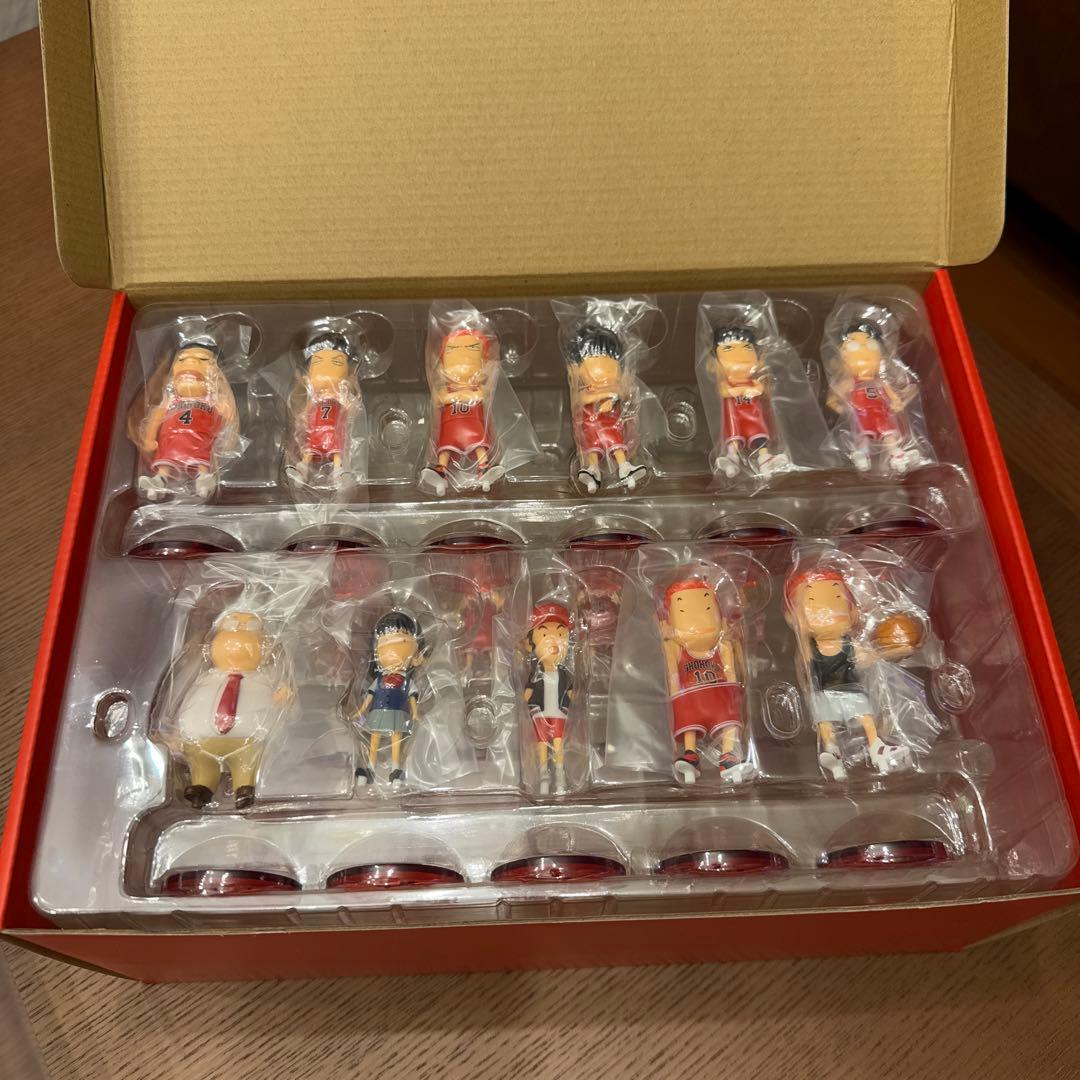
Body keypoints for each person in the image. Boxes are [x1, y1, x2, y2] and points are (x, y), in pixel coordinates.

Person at [784, 566, 916, 779]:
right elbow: (804, 670)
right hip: (824, 693)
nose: (828, 611)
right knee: (826, 723)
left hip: (851, 689)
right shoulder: (809, 648)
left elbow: (868, 658)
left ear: (852, 610)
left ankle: (876, 746)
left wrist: (895, 650)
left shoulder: (849, 644)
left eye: (837, 598)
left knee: (866, 719)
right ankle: (832, 752)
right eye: (813, 602)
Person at [171, 610, 295, 810]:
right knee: (202, 762)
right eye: (232, 629)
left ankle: (244, 788)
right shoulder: (207, 678)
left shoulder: (264, 679)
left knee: (246, 763)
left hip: (248, 739)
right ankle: (201, 787)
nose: (238, 642)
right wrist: (177, 733)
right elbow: (188, 701)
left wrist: (283, 696)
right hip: (201, 738)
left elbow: (279, 702)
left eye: (250, 631)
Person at [661, 577, 755, 785]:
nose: (697, 623)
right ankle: (690, 754)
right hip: (691, 700)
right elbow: (672, 675)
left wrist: (734, 692)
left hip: (720, 697)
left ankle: (729, 755)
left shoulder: (723, 648)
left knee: (729, 724)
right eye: (683, 612)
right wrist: (676, 696)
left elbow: (732, 674)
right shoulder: (676, 649)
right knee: (689, 725)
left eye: (707, 609)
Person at [138, 337, 238, 500]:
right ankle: (159, 480)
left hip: (200, 440)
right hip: (171, 441)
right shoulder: (171, 400)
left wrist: (227, 441)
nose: (190, 362)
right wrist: (149, 438)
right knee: (166, 460)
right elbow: (155, 417)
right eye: (182, 359)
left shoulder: (211, 399)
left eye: (203, 359)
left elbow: (230, 418)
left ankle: (203, 478)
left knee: (201, 457)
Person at [826, 320, 920, 475]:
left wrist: (897, 403)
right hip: (862, 416)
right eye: (855, 347)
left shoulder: (880, 381)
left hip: (882, 415)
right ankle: (862, 456)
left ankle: (897, 455)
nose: (865, 355)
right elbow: (832, 399)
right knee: (864, 438)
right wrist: (842, 408)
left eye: (870, 346)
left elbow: (893, 396)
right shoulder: (850, 382)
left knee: (889, 436)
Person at [420, 327, 504, 495]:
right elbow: (441, 399)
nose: (463, 361)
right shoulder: (447, 390)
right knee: (445, 448)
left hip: (473, 425)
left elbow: (480, 396)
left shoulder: (477, 389)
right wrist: (457, 395)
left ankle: (484, 467)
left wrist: (459, 394)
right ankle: (441, 470)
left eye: (471, 349)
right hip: (450, 426)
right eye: (453, 350)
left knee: (479, 445)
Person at [567, 325, 648, 494]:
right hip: (590, 423)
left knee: (615, 441)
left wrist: (611, 398)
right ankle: (593, 470)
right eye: (595, 357)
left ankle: (624, 466)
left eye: (609, 358)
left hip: (610, 421)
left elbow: (621, 393)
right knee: (592, 445)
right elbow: (582, 399)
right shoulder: (585, 390)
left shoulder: (616, 387)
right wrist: (599, 395)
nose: (603, 365)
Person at [353, 610, 424, 789]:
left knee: (396, 740)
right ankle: (370, 767)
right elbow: (370, 696)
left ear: (416, 654)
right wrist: (361, 711)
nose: (392, 649)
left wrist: (415, 714)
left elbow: (412, 697)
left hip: (398, 713)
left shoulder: (406, 681)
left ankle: (395, 768)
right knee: (374, 738)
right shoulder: (379, 680)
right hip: (378, 711)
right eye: (385, 641)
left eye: (402, 641)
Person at [708, 324, 789, 478]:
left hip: (754, 416)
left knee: (759, 436)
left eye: (747, 348)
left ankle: (765, 459)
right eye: (728, 349)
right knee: (734, 437)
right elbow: (725, 392)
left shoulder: (754, 381)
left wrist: (748, 389)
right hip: (734, 417)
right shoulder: (727, 383)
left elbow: (759, 390)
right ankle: (732, 458)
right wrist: (743, 390)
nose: (740, 356)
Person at [286, 331, 359, 488]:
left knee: (336, 449)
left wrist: (350, 408)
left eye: (336, 363)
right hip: (317, 428)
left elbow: (349, 408)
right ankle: (303, 468)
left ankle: (338, 471)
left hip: (332, 429)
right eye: (318, 362)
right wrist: (303, 418)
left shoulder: (339, 395)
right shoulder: (316, 397)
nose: (326, 370)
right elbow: (307, 411)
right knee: (310, 449)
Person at [522, 602, 575, 796]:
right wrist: (525, 698)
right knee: (542, 744)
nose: (554, 642)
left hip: (560, 713)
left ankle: (560, 775)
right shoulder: (536, 673)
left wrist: (572, 697)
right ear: (531, 643)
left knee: (559, 744)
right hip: (540, 714)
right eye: (545, 635)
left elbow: (570, 690)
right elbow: (529, 691)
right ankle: (543, 775)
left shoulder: (564, 673)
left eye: (560, 635)